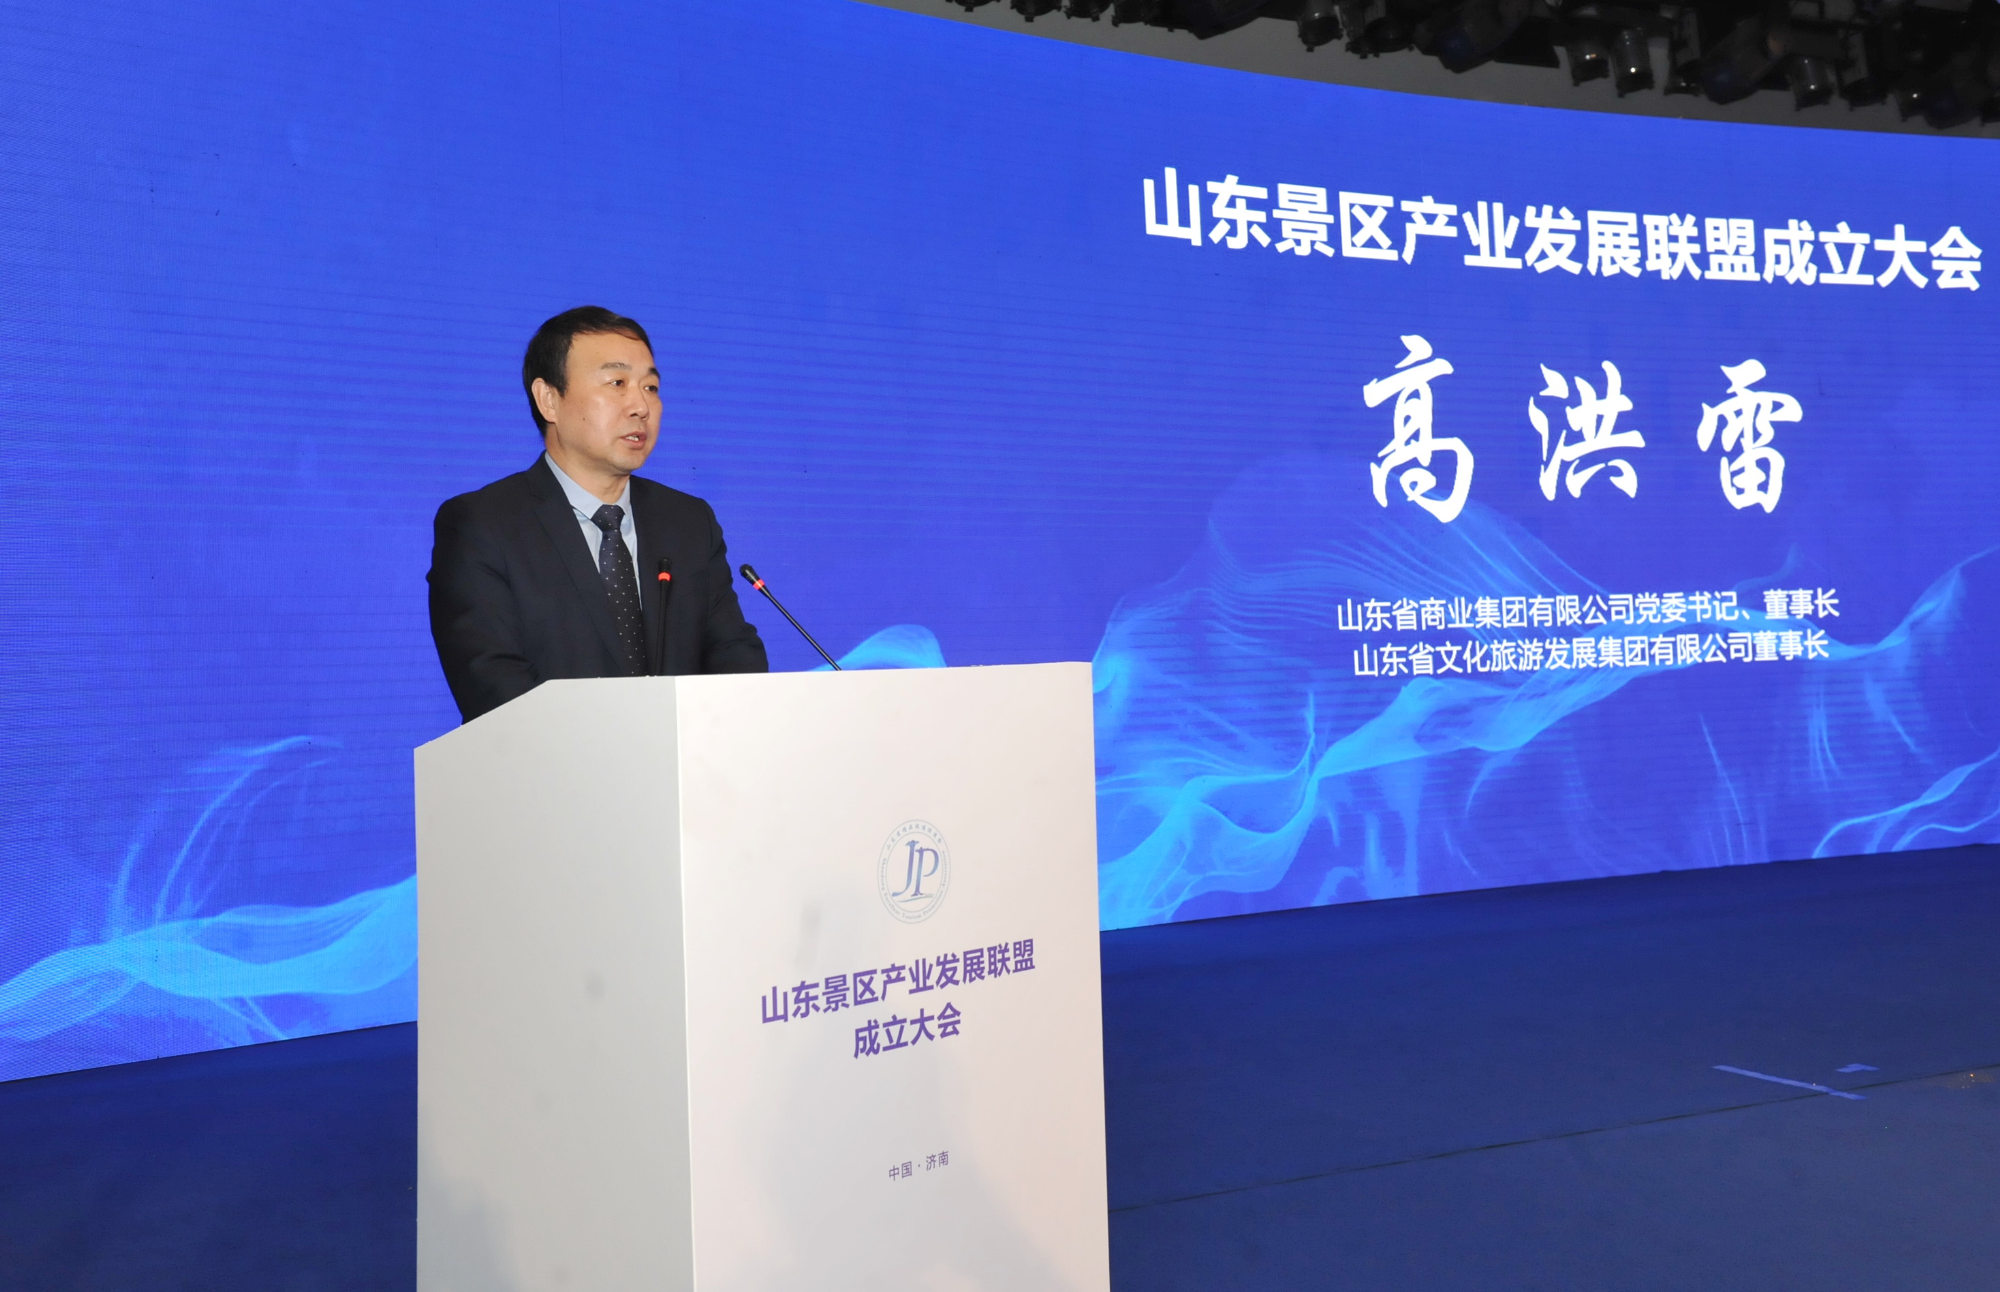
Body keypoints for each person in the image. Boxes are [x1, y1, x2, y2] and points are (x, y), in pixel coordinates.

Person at [428, 306, 767, 723]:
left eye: (651, 387)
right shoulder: (484, 525)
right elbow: (495, 690)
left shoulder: (689, 523)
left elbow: (735, 659)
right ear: (549, 399)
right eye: (617, 383)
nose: (641, 406)